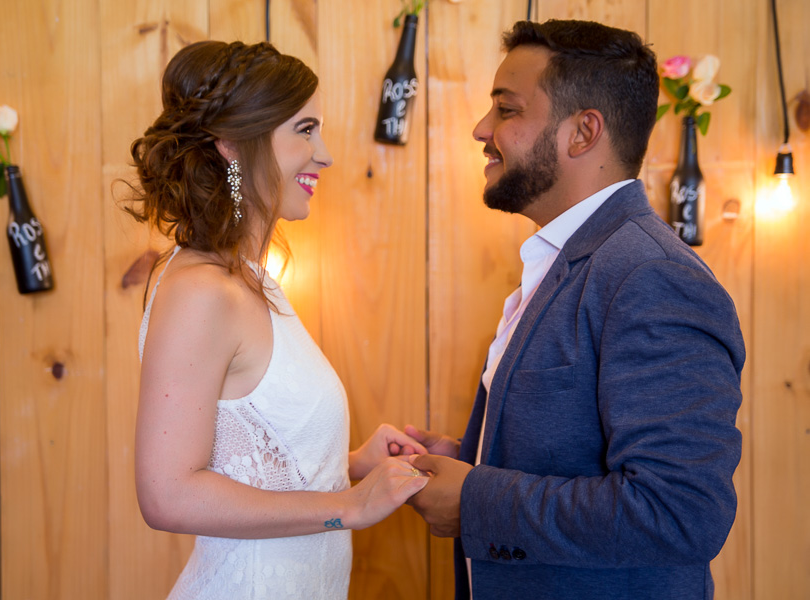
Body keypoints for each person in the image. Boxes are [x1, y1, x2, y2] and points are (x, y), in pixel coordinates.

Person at [404, 19, 745, 600]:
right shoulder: (568, 261)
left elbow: (679, 511)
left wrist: (475, 499)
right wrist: (476, 455)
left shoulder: (652, 276)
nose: (482, 128)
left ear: (583, 132)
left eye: (506, 110)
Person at [127, 40, 428, 600]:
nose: (324, 155)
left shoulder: (250, 278)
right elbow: (167, 494)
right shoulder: (201, 291)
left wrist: (348, 464)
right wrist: (347, 506)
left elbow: (248, 465)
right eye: (305, 130)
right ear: (232, 145)